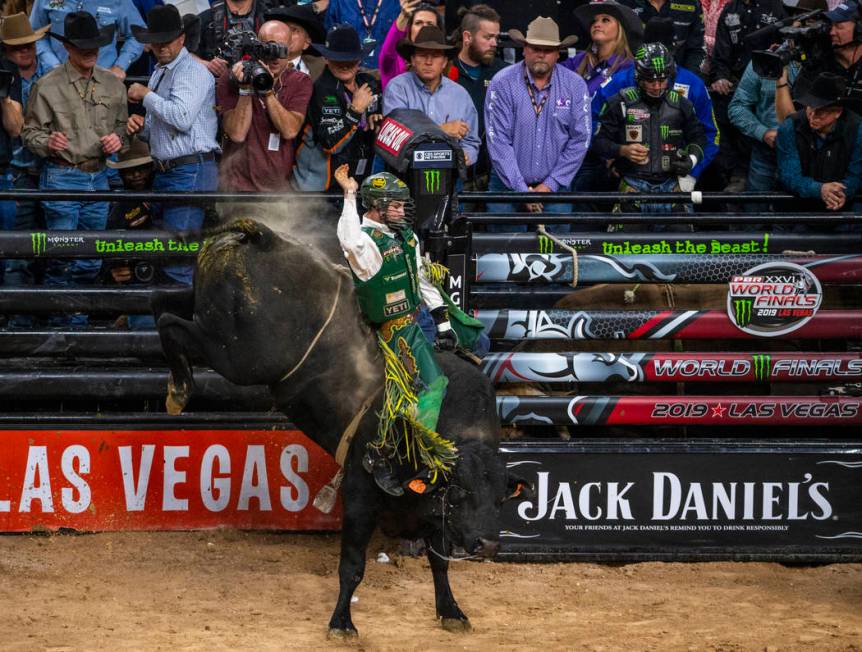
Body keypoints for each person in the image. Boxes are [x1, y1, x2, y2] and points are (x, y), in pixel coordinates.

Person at [334, 163, 456, 495]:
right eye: (396, 205)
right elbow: (348, 240)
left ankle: (400, 453)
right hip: (385, 330)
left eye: (403, 205)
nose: (403, 210)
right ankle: (386, 454)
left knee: (429, 384)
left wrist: (443, 321)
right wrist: (349, 193)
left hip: (413, 322)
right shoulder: (366, 242)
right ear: (376, 207)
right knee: (426, 386)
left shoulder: (406, 237)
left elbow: (421, 278)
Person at [21, 11, 128, 325]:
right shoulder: (47, 85)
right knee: (62, 260)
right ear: (67, 47)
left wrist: (117, 140)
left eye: (95, 44)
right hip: (61, 176)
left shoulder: (113, 84)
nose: (91, 50)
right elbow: (29, 133)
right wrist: (47, 142)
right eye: (83, 45)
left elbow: (122, 128)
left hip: (99, 176)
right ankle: (62, 333)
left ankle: (76, 328)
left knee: (90, 261)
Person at [126, 5, 219, 285]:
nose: (161, 46)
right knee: (170, 253)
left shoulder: (191, 71)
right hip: (175, 170)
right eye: (156, 41)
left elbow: (181, 117)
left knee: (177, 258)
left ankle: (183, 326)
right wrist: (143, 128)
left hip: (188, 170)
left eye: (167, 40)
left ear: (181, 39)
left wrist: (145, 96)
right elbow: (165, 125)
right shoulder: (162, 71)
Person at [484, 16, 590, 224]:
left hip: (556, 185)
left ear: (557, 54)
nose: (541, 54)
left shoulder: (575, 86)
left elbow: (581, 139)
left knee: (557, 253)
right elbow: (498, 141)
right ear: (524, 49)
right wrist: (523, 190)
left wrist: (550, 185)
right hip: (506, 185)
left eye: (548, 49)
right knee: (502, 252)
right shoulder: (502, 83)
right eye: (535, 48)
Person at [595, 18, 719, 186]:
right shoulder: (619, 81)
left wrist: (692, 168)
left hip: (678, 174)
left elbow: (710, 134)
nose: (656, 85)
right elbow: (591, 124)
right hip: (628, 175)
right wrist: (611, 156)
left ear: (673, 50)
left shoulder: (693, 84)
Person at [593, 42, 706, 215]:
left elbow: (699, 137)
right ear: (638, 77)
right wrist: (622, 150)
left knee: (682, 241)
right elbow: (598, 141)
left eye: (662, 80)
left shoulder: (682, 104)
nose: (657, 86)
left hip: (673, 184)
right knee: (625, 242)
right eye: (650, 80)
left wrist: (691, 160)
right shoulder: (619, 102)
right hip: (632, 185)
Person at [218, 20, 313, 192]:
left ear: (290, 47)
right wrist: (245, 88)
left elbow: (290, 130)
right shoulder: (232, 78)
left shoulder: (299, 81)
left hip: (278, 191)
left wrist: (267, 92)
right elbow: (237, 134)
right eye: (269, 47)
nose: (275, 56)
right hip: (237, 188)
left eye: (281, 47)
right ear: (257, 46)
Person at [563, 1, 642, 195]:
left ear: (620, 29)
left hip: (602, 158)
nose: (597, 24)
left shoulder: (630, 70)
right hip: (566, 151)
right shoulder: (577, 62)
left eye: (605, 20)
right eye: (594, 21)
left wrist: (619, 155)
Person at [293, 24, 381, 191]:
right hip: (319, 190)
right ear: (326, 58)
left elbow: (377, 115)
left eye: (351, 58)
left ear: (360, 58)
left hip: (356, 182)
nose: (345, 65)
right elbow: (330, 143)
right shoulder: (320, 90)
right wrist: (355, 110)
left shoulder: (369, 83)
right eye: (338, 58)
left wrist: (377, 118)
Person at [383, 25, 480, 167]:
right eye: (422, 55)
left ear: (444, 62)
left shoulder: (460, 95)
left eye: (435, 56)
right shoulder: (398, 88)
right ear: (413, 59)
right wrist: (441, 130)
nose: (428, 62)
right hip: (406, 175)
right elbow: (394, 139)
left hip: (450, 174)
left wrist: (466, 155)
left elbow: (471, 141)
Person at [777, 72, 862, 211]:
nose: (812, 116)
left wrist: (840, 192)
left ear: (838, 112)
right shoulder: (790, 126)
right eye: (810, 107)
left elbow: (857, 174)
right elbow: (789, 175)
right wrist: (820, 189)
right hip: (796, 209)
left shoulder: (857, 128)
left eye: (821, 112)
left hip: (843, 208)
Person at [446, 4, 505, 190]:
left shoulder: (504, 72)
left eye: (496, 37)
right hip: (456, 173)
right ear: (467, 37)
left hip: (497, 173)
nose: (494, 43)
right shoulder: (446, 71)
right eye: (488, 37)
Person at [776, 0, 862, 120]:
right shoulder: (818, 63)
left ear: (859, 31)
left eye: (839, 27)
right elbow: (790, 123)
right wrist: (781, 82)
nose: (831, 32)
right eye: (831, 25)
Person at [103, 138, 157, 329]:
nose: (136, 174)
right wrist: (112, 270)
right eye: (128, 170)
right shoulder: (118, 207)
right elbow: (106, 249)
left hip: (163, 275)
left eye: (142, 168)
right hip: (137, 278)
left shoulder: (167, 196)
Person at [0, 14, 34, 292]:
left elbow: (15, 127)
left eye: (29, 45)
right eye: (17, 46)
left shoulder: (8, 72)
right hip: (10, 174)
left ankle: (14, 319)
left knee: (12, 253)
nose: (25, 50)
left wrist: (3, 97)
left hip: (7, 174)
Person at [29, 0, 144, 78]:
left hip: (103, 81)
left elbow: (137, 33)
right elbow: (35, 34)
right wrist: (52, 65)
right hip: (58, 79)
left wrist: (120, 66)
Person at [619, 0, 707, 73]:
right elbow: (613, 47)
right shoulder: (622, 3)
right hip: (630, 76)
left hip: (677, 76)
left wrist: (686, 79)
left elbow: (696, 49)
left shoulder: (691, 3)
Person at [195, 0, 276, 77]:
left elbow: (286, 52)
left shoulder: (273, 17)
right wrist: (208, 65)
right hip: (219, 84)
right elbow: (185, 53)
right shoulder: (204, 20)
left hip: (264, 80)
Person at [379, 0, 441, 89]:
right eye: (418, 23)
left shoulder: (443, 60)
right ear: (410, 29)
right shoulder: (394, 61)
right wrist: (403, 17)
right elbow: (388, 52)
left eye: (430, 24)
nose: (424, 27)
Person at [325, 0, 402, 69]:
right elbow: (330, 40)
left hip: (386, 75)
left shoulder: (398, 3)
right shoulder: (339, 2)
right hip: (349, 73)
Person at [261, 4, 327, 80]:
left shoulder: (320, 66)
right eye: (281, 29)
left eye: (294, 30)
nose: (286, 34)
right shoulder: (261, 64)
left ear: (307, 42)